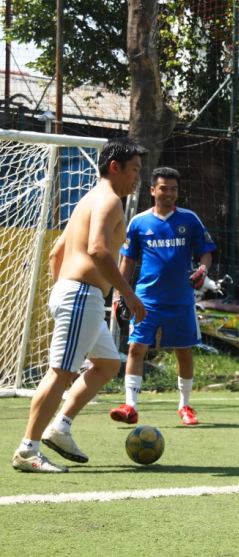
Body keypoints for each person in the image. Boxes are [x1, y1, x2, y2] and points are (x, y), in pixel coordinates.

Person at [12, 138, 148, 473]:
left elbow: (57, 252)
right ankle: (28, 449)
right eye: (134, 170)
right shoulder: (110, 201)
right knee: (61, 373)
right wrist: (127, 293)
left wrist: (62, 288)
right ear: (115, 167)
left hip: (77, 295)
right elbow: (99, 251)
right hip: (81, 296)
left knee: (106, 364)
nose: (137, 178)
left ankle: (61, 427)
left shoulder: (88, 199)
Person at [109, 167, 216, 426]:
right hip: (146, 298)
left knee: (184, 352)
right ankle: (130, 406)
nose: (169, 193)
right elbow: (128, 261)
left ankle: (186, 406)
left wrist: (203, 269)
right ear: (153, 190)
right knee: (136, 348)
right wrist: (119, 294)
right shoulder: (138, 222)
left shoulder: (190, 219)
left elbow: (206, 253)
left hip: (181, 299)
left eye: (174, 189)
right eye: (164, 188)